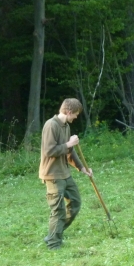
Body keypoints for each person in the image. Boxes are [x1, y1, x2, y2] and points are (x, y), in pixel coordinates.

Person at [39, 98, 92, 250]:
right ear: (68, 112)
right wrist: (69, 144)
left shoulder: (65, 126)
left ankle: (54, 234)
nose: (75, 117)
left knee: (76, 203)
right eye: (75, 114)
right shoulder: (51, 125)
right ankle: (54, 244)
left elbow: (69, 152)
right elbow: (49, 150)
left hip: (65, 174)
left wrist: (82, 168)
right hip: (53, 175)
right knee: (58, 210)